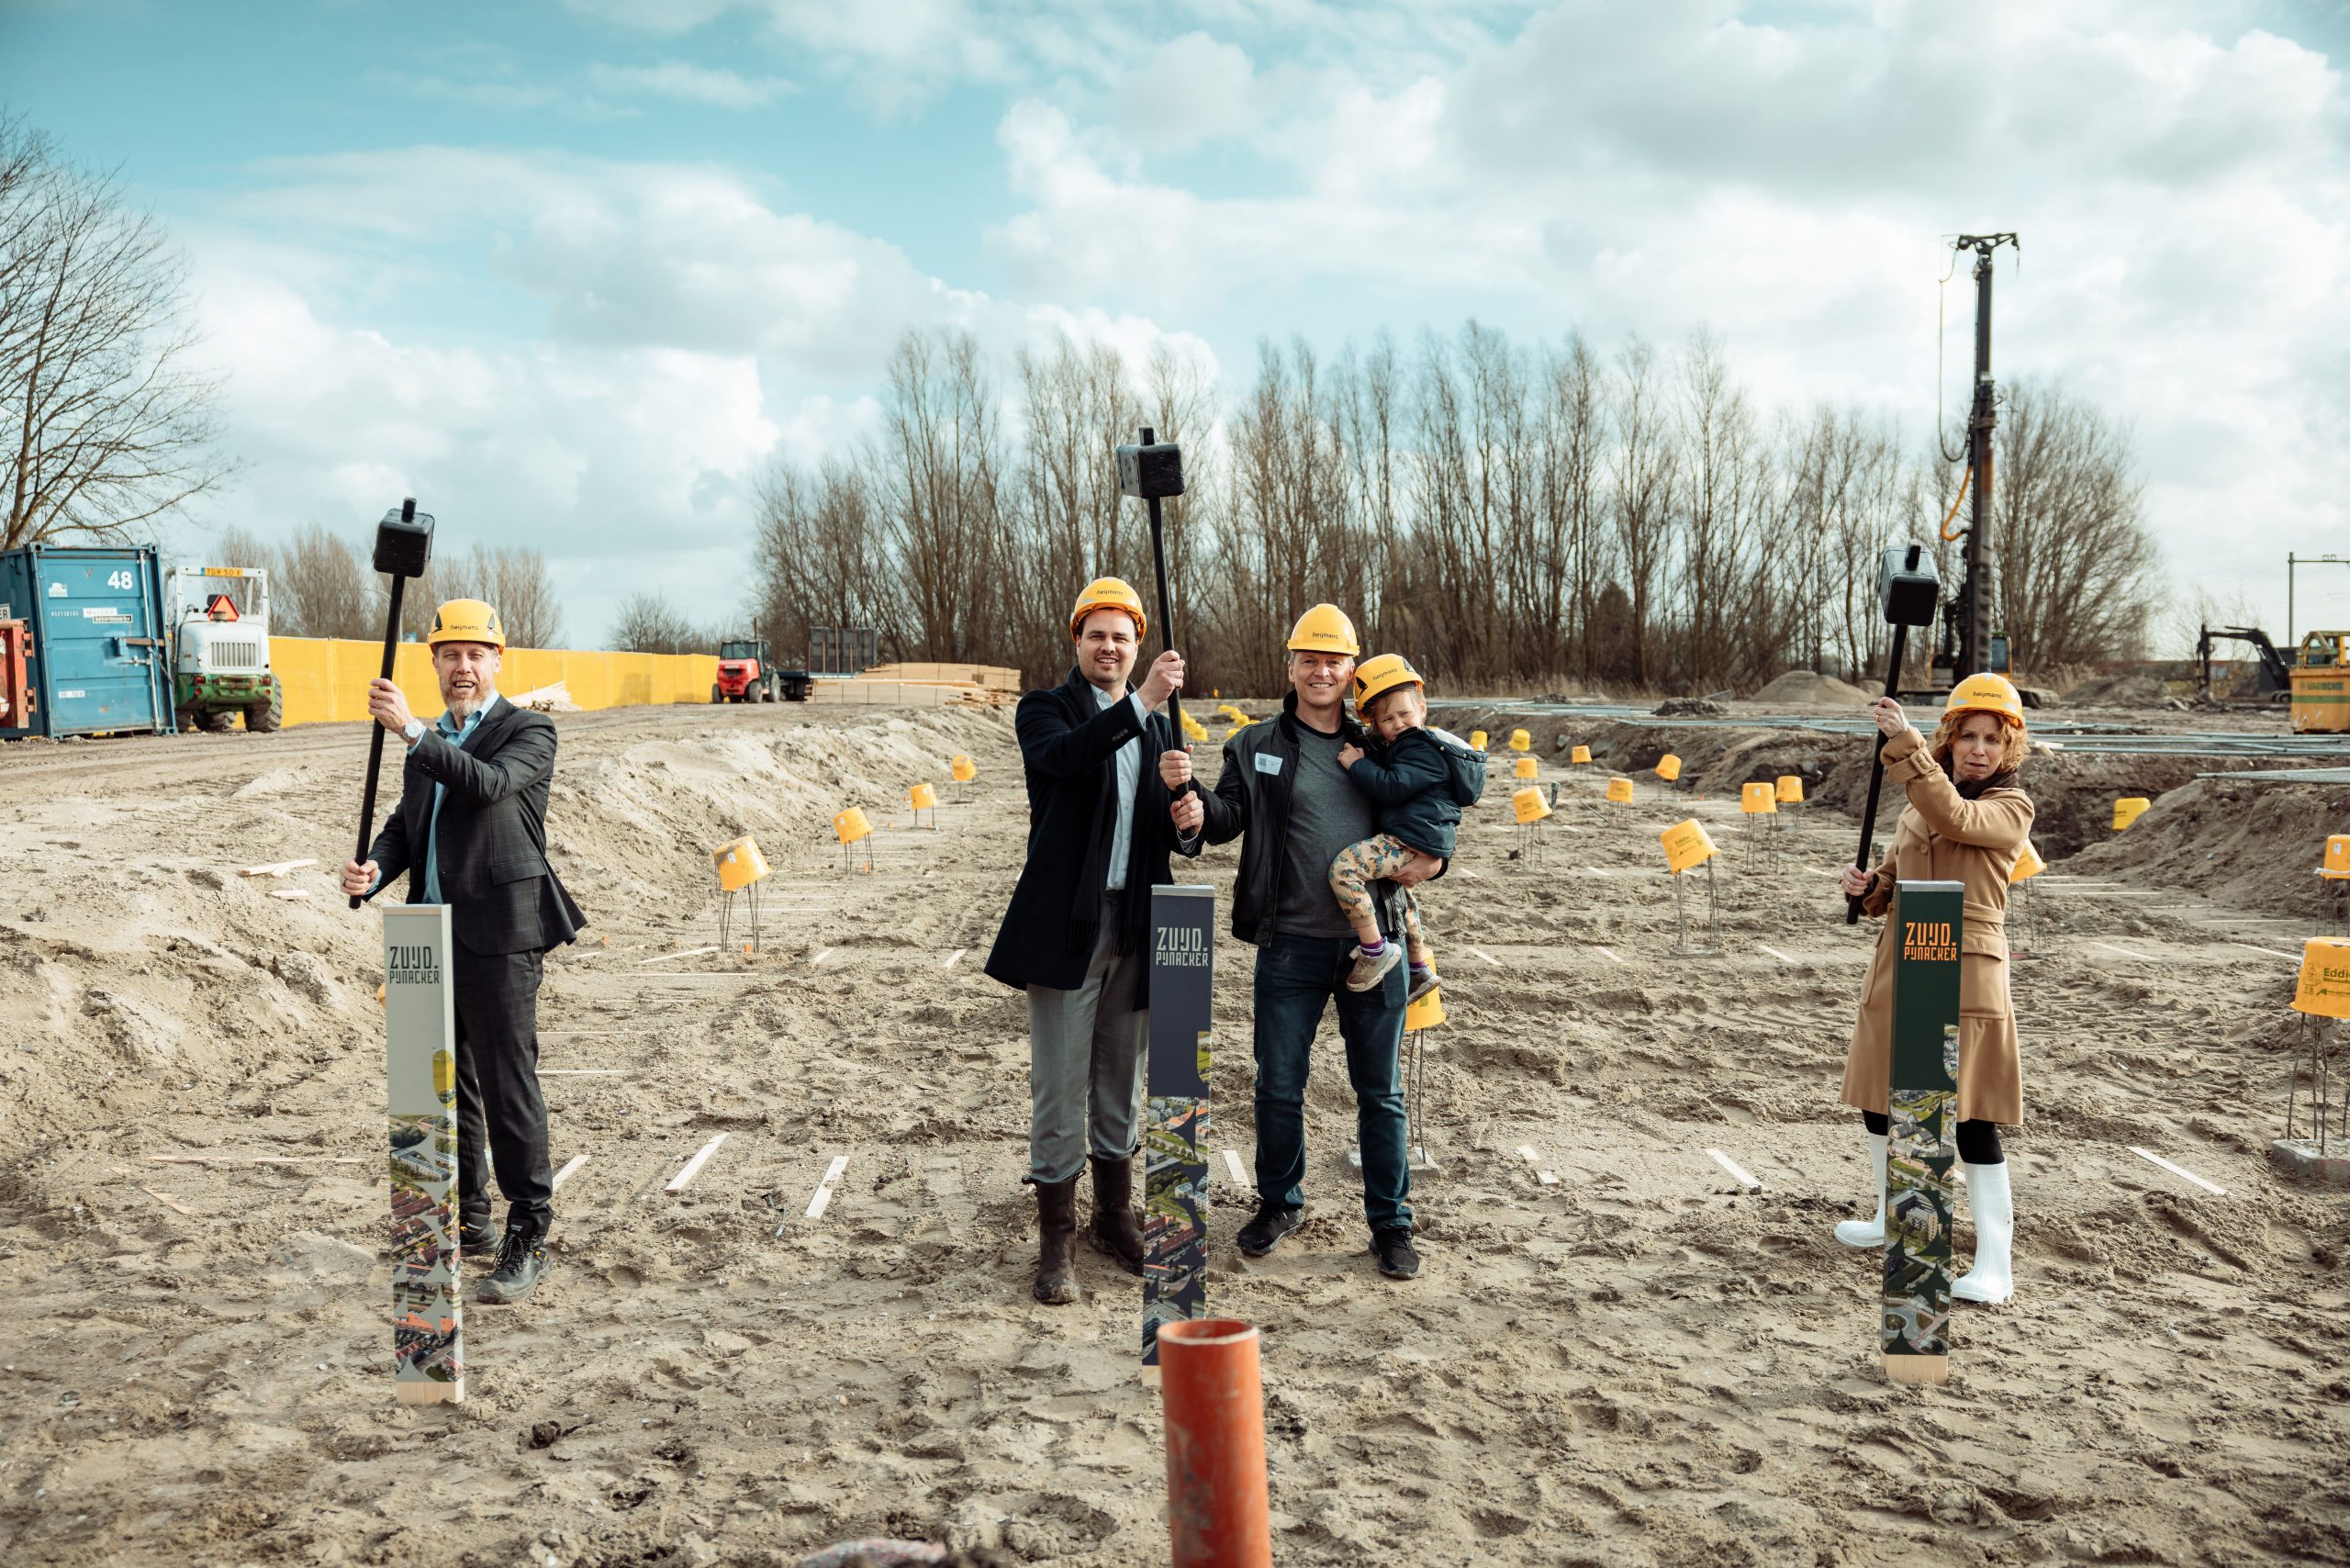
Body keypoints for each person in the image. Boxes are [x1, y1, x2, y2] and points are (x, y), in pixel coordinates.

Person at [1160, 604, 1443, 1282]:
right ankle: (1280, 1203)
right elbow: (1225, 819)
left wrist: (1437, 858)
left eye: (1335, 660)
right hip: (1286, 944)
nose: (1321, 671)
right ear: (1290, 666)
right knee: (1279, 1086)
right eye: (1309, 659)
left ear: (1352, 671)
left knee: (1381, 1091)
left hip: (1372, 949)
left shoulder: (1383, 742)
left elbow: (1436, 807)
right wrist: (1194, 805)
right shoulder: (1255, 744)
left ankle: (1391, 1225)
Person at [341, 598, 587, 1305]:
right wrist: (375, 869)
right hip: (428, 934)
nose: (463, 667)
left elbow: (486, 787)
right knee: (448, 1085)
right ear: (435, 663)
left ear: (498, 661)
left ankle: (528, 1232)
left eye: (476, 655)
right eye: (451, 655)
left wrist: (412, 731)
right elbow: (404, 826)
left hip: (502, 934)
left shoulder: (528, 730)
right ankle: (470, 1218)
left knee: (509, 1087)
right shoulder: (428, 745)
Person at [984, 577, 1193, 1305]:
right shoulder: (1045, 710)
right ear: (1077, 641)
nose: (1110, 647)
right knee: (1059, 1083)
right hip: (1069, 926)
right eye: (1097, 635)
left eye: (1123, 637)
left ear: (1138, 646)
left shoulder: (1162, 726)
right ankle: (1057, 1241)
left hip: (1140, 922)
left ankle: (1113, 1217)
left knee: (1120, 1081)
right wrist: (1143, 706)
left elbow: (1171, 833)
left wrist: (1190, 814)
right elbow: (1067, 759)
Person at [1833, 673, 2032, 1305]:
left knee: (1972, 1116)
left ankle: (1994, 1263)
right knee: (1880, 1099)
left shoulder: (2010, 806)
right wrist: (1869, 891)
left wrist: (1904, 743)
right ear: (1950, 740)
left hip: (1965, 970)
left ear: (2007, 749)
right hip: (1904, 963)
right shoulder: (1917, 802)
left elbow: (1957, 815)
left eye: (1992, 739)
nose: (1979, 749)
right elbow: (1894, 881)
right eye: (1968, 736)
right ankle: (1893, 1218)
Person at [1329, 654, 1483, 1000]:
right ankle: (1418, 967)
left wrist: (1356, 765)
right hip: (1421, 835)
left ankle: (1374, 950)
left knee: (1345, 869)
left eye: (1404, 714)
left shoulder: (1421, 747)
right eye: (1387, 718)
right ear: (1374, 723)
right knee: (1404, 897)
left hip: (1409, 837)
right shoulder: (1413, 744)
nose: (1398, 723)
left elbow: (1393, 785)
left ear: (1422, 708)